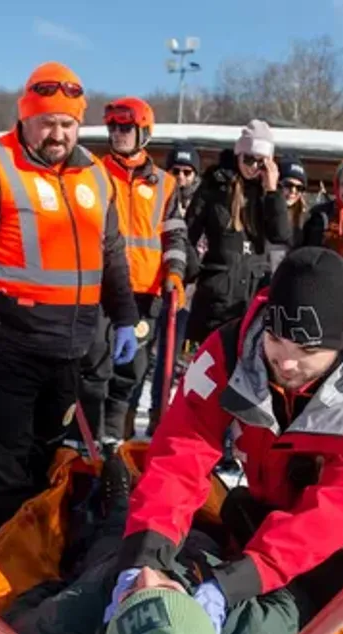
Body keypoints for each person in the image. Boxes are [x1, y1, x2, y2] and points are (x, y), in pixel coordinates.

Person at [113, 248, 343, 634]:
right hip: (278, 483)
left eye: (306, 349)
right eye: (277, 339)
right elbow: (180, 452)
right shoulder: (230, 350)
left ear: (342, 342)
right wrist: (144, 557)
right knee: (231, 526)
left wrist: (238, 581)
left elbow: (334, 514)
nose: (286, 360)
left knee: (323, 601)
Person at [0, 62, 139, 562]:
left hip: (70, 354)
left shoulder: (94, 174)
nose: (58, 133)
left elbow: (110, 251)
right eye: (47, 121)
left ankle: (35, 571)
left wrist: (127, 315)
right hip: (3, 351)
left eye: (68, 123)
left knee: (54, 472)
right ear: (24, 118)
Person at [76, 97, 189, 441]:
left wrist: (175, 274)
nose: (118, 134)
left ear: (144, 132)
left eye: (126, 128)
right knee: (95, 367)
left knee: (131, 372)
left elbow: (176, 236)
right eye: (113, 127)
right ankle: (84, 442)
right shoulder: (94, 174)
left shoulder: (165, 184)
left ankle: (113, 441)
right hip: (101, 288)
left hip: (144, 293)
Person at [184, 119, 292, 345]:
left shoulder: (268, 193)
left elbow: (280, 234)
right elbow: (187, 232)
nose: (253, 167)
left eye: (260, 162)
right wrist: (199, 272)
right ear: (238, 155)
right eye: (248, 159)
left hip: (251, 297)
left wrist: (272, 191)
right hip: (217, 295)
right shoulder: (216, 185)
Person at [146, 142, 203, 432]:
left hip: (189, 292)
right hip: (157, 288)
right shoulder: (159, 198)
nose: (181, 178)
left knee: (181, 357)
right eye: (176, 171)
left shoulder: (201, 204)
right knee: (151, 357)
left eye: (187, 172)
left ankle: (173, 415)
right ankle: (153, 412)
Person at [277, 152, 310, 248]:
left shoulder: (304, 220)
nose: (293, 191)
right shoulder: (262, 210)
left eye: (299, 188)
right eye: (288, 185)